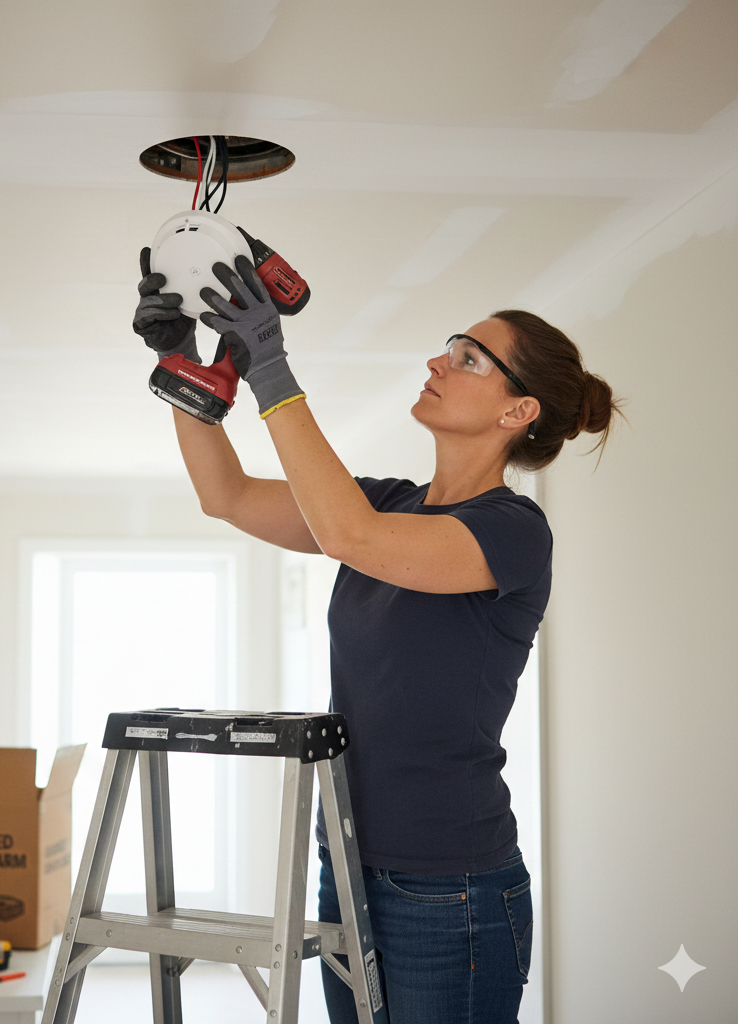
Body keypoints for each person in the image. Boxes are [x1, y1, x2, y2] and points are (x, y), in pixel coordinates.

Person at [133, 248, 621, 1024]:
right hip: (347, 861)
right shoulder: (390, 503)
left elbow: (349, 537)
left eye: (469, 358)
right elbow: (225, 495)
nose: (438, 361)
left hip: (451, 886)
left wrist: (269, 368)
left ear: (517, 411)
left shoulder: (513, 531)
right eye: (450, 346)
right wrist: (182, 366)